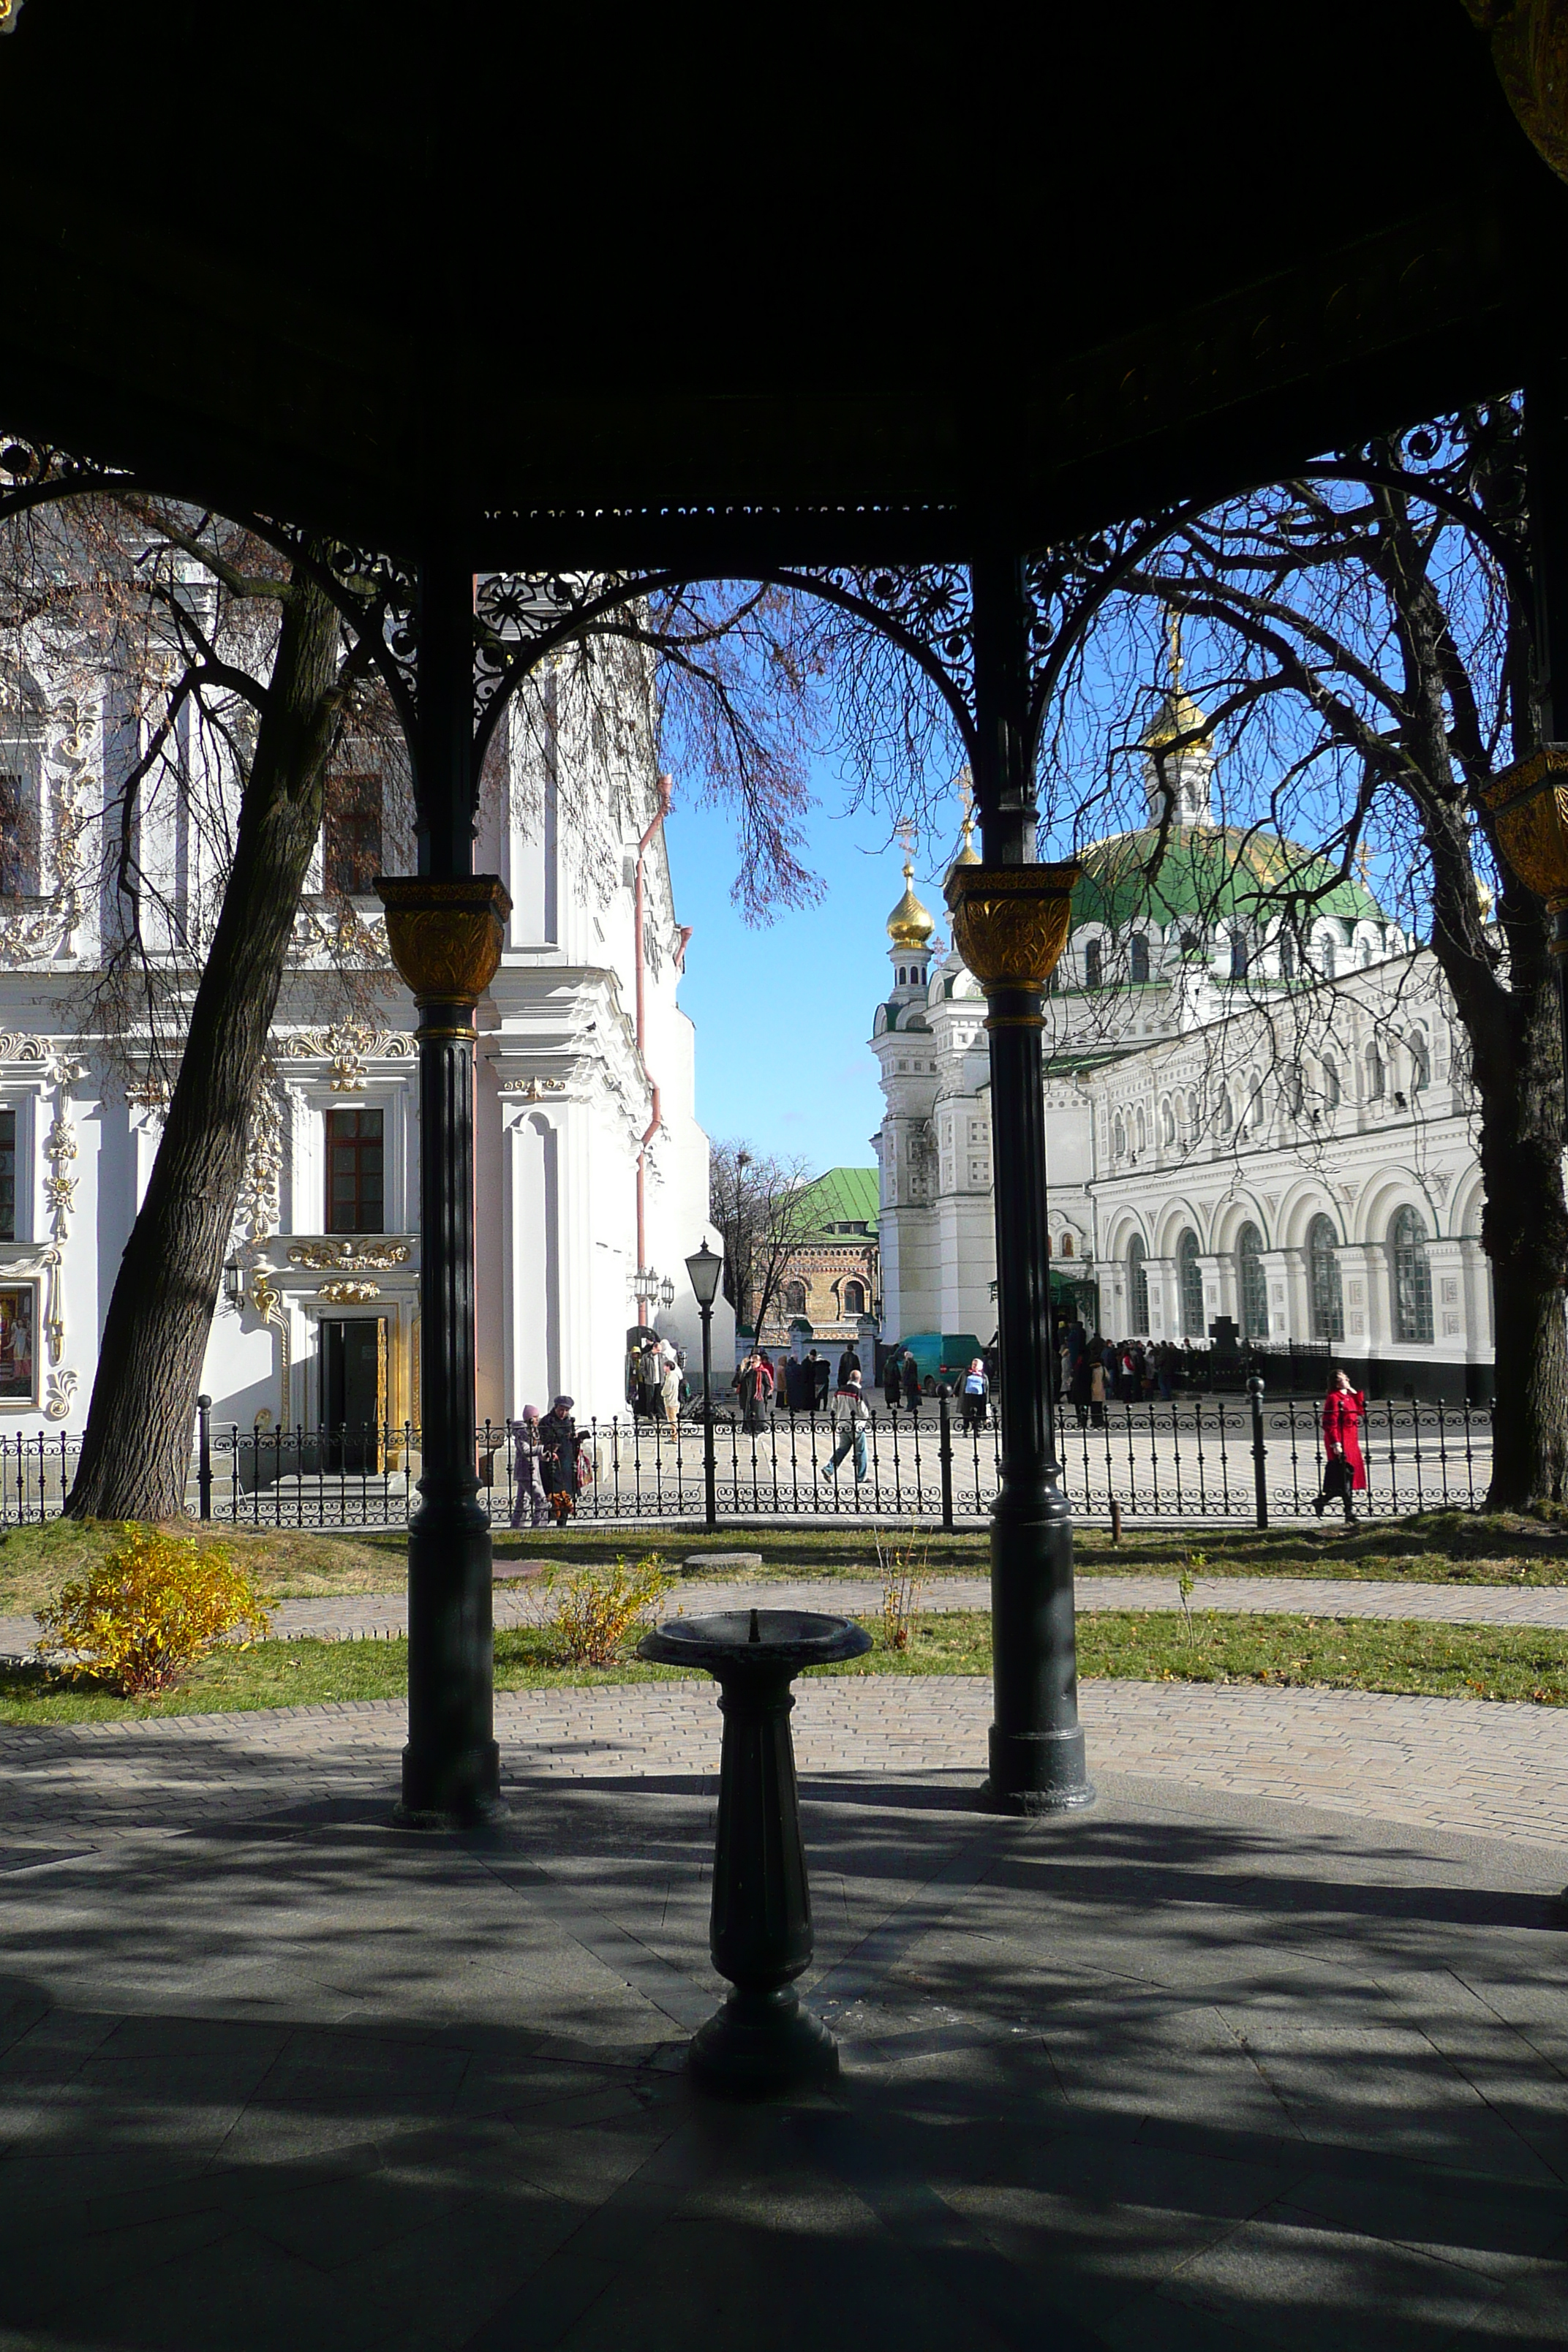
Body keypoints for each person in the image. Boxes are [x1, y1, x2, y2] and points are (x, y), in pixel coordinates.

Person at [1316, 1367, 1368, 1523]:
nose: (1348, 1380)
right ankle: (1349, 1513)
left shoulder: (1348, 1396)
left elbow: (1361, 1411)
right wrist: (1335, 1444)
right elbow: (1329, 1423)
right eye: (1344, 1379)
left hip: (1352, 1440)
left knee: (1348, 1477)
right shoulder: (1333, 1398)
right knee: (1345, 1476)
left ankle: (1323, 1501)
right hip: (1341, 1440)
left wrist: (1354, 1393)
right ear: (1337, 1383)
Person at [538, 1395, 590, 1524]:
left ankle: (563, 1522)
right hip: (553, 1462)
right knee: (554, 1493)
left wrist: (578, 1438)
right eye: (561, 1410)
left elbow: (571, 1441)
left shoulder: (568, 1422)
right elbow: (545, 1440)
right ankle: (550, 1519)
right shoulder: (547, 1421)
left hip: (567, 1462)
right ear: (555, 1408)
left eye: (566, 1410)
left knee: (567, 1493)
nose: (563, 1413)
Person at [508, 1405, 550, 1528]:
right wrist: (543, 1448)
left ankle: (516, 1526)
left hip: (532, 1471)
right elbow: (526, 1451)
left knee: (522, 1502)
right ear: (529, 1419)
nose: (537, 1420)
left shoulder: (533, 1432)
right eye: (534, 1418)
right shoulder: (522, 1433)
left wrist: (545, 1455)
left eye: (537, 1417)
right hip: (525, 1472)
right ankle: (539, 1527)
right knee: (542, 1500)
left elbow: (535, 1453)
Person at [826, 1368, 870, 1482]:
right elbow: (863, 1412)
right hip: (856, 1426)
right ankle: (861, 1477)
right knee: (861, 1451)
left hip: (842, 1424)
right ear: (859, 1379)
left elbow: (834, 1407)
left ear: (850, 1378)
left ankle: (828, 1469)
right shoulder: (858, 1392)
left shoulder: (839, 1390)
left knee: (842, 1449)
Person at [734, 1348, 774, 1434]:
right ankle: (748, 1430)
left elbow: (768, 1385)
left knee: (758, 1415)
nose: (752, 1364)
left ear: (759, 1362)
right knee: (747, 1415)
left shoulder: (763, 1372)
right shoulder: (748, 1372)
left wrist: (764, 1395)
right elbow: (737, 1382)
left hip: (758, 1398)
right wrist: (743, 1370)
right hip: (747, 1397)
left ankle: (758, 1431)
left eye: (753, 1362)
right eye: (751, 1362)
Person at [960, 1356, 989, 1435]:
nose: (974, 1366)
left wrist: (987, 1399)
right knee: (966, 1414)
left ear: (980, 1366)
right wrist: (954, 1392)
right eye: (973, 1364)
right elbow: (960, 1382)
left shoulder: (983, 1376)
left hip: (979, 1397)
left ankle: (977, 1430)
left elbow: (986, 1388)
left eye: (976, 1364)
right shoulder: (966, 1373)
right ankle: (965, 1430)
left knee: (978, 1414)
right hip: (968, 1396)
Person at [902, 1349, 921, 1414]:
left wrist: (904, 1380)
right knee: (913, 1394)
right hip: (914, 1380)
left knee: (909, 1394)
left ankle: (910, 1407)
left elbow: (906, 1372)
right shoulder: (914, 1362)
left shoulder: (908, 1363)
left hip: (909, 1381)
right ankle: (914, 1405)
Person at [883, 1350, 902, 1416]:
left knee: (888, 1393)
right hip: (894, 1382)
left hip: (887, 1382)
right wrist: (899, 1378)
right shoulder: (894, 1365)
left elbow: (884, 1374)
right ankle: (898, 1404)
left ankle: (888, 1404)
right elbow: (897, 1373)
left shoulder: (886, 1365)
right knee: (896, 1393)